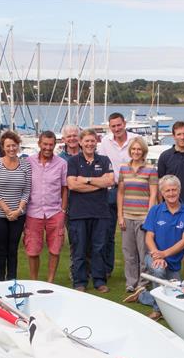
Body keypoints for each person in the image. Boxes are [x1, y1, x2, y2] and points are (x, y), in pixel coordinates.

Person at [123, 175, 184, 321]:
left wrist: (164, 254)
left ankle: (143, 296)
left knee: (177, 298)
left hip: (173, 262)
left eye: (174, 190)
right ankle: (158, 311)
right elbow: (149, 237)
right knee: (158, 269)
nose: (171, 193)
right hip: (153, 257)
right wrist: (157, 255)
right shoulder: (155, 211)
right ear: (162, 193)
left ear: (179, 190)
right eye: (167, 190)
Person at [67, 128, 115, 292]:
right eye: (86, 141)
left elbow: (109, 181)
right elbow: (72, 185)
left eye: (92, 141)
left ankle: (99, 280)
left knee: (98, 248)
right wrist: (97, 184)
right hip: (78, 213)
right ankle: (80, 282)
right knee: (79, 248)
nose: (89, 144)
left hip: (100, 212)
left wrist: (86, 180)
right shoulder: (73, 161)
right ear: (80, 143)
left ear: (97, 142)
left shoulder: (103, 160)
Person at [156, 120, 184, 280]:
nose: (182, 137)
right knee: (168, 242)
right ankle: (165, 274)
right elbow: (159, 183)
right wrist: (159, 204)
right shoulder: (165, 156)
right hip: (168, 208)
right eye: (179, 134)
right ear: (173, 136)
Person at [98, 112, 141, 279]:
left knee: (133, 231)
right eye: (113, 126)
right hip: (111, 190)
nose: (117, 128)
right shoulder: (105, 143)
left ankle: (136, 270)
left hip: (132, 190)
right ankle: (107, 269)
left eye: (119, 125)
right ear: (110, 127)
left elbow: (142, 160)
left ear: (124, 123)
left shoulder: (136, 139)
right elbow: (101, 165)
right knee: (107, 232)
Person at [0, 131, 31, 281]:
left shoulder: (25, 165)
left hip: (18, 215)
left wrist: (18, 210)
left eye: (14, 145)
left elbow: (27, 190)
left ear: (18, 146)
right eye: (8, 146)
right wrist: (6, 210)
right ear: (3, 147)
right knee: (0, 249)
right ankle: (0, 281)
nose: (11, 148)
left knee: (13, 249)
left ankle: (12, 280)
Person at [25, 130, 68, 282]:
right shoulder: (28, 162)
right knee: (32, 250)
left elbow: (64, 188)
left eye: (51, 145)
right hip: (33, 212)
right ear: (39, 144)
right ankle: (34, 281)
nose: (48, 148)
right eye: (45, 144)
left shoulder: (62, 164)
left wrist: (63, 210)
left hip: (54, 212)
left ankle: (50, 281)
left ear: (55, 145)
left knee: (55, 249)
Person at [117, 137, 158, 292]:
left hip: (143, 218)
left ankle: (142, 283)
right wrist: (120, 216)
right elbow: (120, 193)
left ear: (143, 152)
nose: (136, 152)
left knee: (143, 253)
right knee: (129, 254)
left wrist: (149, 216)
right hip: (127, 216)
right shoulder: (124, 169)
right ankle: (131, 282)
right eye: (133, 149)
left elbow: (153, 194)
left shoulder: (151, 169)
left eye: (138, 149)